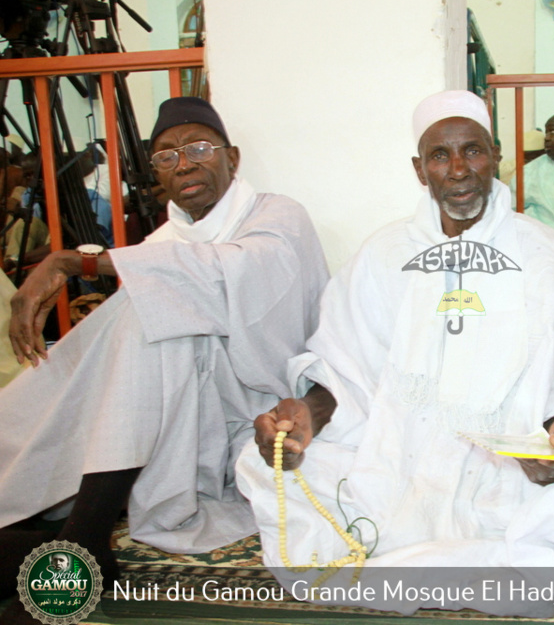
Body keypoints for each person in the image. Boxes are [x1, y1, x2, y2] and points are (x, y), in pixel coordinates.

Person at [236, 90, 554, 616]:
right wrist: (307, 414)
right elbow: (345, 367)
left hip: (513, 458)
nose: (459, 169)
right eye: (440, 156)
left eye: (472, 151)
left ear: (495, 156)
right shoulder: (382, 256)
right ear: (419, 170)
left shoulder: (546, 254)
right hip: (400, 447)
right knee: (260, 462)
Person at [0, 97, 329, 602]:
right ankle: (80, 537)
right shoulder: (159, 243)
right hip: (182, 414)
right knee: (141, 315)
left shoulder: (279, 215)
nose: (185, 164)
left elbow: (224, 272)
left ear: (232, 157)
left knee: (158, 306)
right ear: (157, 174)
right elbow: (177, 273)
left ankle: (83, 537)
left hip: (262, 405)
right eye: (167, 157)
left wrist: (76, 263)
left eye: (199, 147)